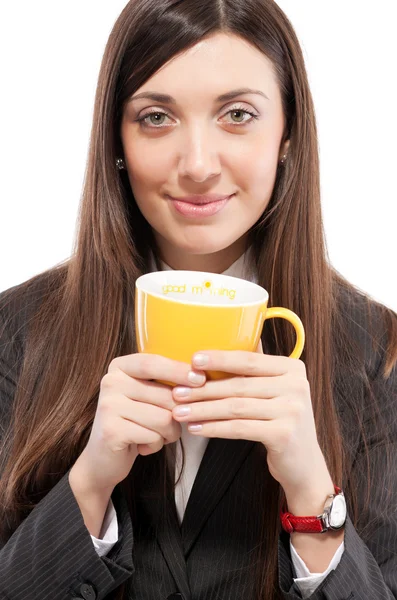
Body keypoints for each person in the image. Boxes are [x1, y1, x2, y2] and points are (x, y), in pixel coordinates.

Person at [0, 0, 396, 598]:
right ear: (116, 137)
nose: (198, 165)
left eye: (238, 114)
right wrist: (89, 484)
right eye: (156, 117)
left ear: (287, 134)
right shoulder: (16, 333)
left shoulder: (380, 353)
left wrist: (314, 493)